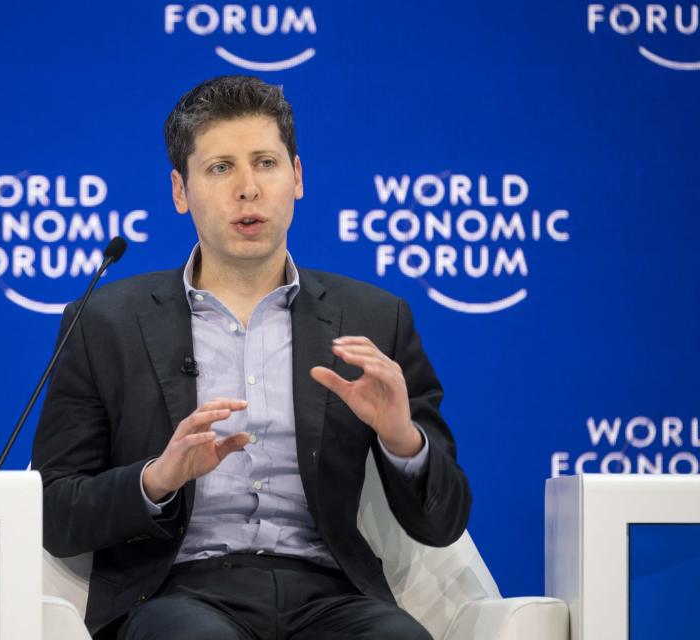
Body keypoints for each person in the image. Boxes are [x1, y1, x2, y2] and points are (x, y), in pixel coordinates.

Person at [32, 75, 471, 640]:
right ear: (179, 190)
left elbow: (443, 522)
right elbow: (52, 510)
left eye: (266, 163)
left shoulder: (374, 318)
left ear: (297, 177)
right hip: (175, 594)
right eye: (220, 168)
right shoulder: (104, 322)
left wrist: (400, 439)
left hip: (331, 595)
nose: (248, 189)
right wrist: (156, 479)